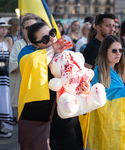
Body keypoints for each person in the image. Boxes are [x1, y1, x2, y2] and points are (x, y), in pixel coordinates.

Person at [17, 22, 89, 150]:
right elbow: (34, 63)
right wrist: (53, 49)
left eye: (52, 33)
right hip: (41, 117)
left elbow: (79, 76)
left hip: (67, 117)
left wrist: (82, 88)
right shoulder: (27, 53)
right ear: (35, 44)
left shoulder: (64, 52)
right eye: (45, 39)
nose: (52, 39)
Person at [87, 35, 125, 150]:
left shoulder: (121, 72)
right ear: (104, 52)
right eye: (114, 50)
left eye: (121, 50)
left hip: (123, 120)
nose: (118, 53)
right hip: (107, 124)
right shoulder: (97, 73)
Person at [9, 15, 37, 124]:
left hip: (39, 90)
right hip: (23, 89)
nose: (31, 30)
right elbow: (13, 66)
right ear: (23, 30)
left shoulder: (44, 44)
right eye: (28, 28)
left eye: (34, 27)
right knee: (25, 123)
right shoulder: (18, 44)